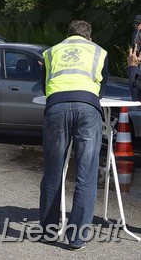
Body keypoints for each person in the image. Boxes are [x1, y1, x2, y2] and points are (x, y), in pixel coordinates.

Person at [39, 20, 108, 250]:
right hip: (88, 108)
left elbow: (44, 85)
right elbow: (102, 89)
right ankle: (77, 238)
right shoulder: (99, 52)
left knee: (53, 171)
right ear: (89, 36)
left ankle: (49, 231)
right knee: (86, 173)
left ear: (67, 35)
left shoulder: (51, 52)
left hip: (56, 107)